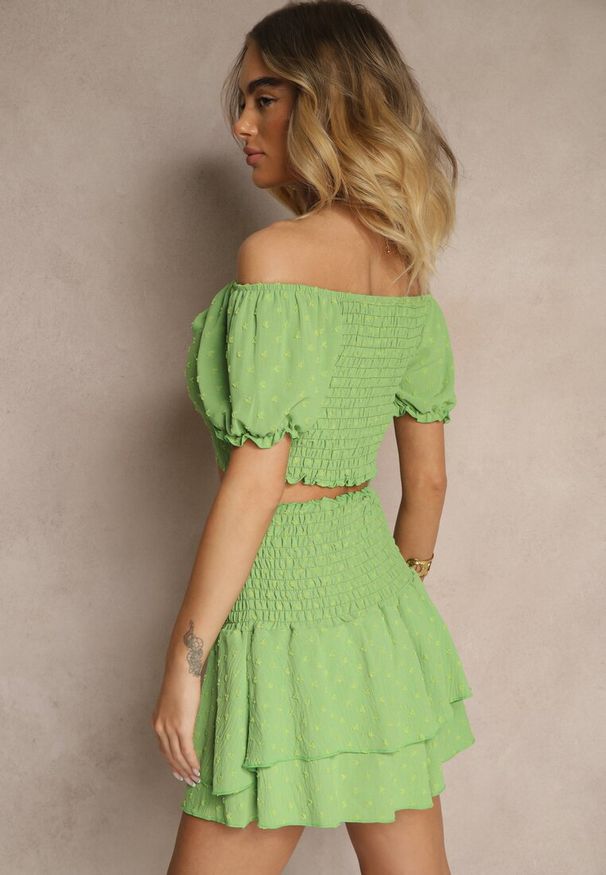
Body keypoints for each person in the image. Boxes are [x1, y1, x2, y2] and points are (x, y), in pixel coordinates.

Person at [152, 2, 475, 872]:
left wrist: (186, 662)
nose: (241, 123)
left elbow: (257, 480)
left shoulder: (276, 257)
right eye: (243, 101)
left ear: (330, 104)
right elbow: (429, 484)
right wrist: (388, 607)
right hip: (378, 605)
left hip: (279, 602)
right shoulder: (405, 267)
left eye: (265, 99)